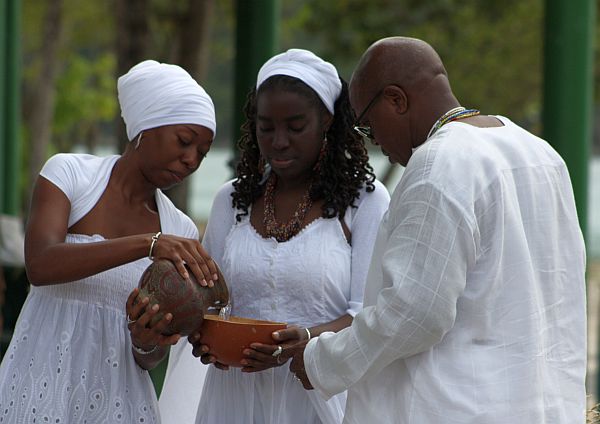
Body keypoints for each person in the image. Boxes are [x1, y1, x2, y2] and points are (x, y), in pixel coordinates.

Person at [289, 36, 587, 423]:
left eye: (367, 125)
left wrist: (320, 359)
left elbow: (413, 314)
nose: (375, 141)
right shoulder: (541, 154)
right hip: (543, 406)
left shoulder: (440, 164)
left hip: (455, 409)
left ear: (396, 100)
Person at [159, 48, 390, 424]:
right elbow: (210, 301)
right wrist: (203, 336)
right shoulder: (230, 200)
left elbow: (370, 313)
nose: (278, 141)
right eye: (266, 127)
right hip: (233, 400)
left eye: (295, 127)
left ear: (327, 122)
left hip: (322, 397)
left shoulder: (364, 202)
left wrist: (303, 341)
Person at [0, 60, 219, 423]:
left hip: (119, 404)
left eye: (203, 152)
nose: (191, 159)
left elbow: (149, 358)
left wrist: (145, 339)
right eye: (184, 141)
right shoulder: (69, 174)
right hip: (37, 386)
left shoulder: (179, 229)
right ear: (146, 128)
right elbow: (40, 264)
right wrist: (147, 244)